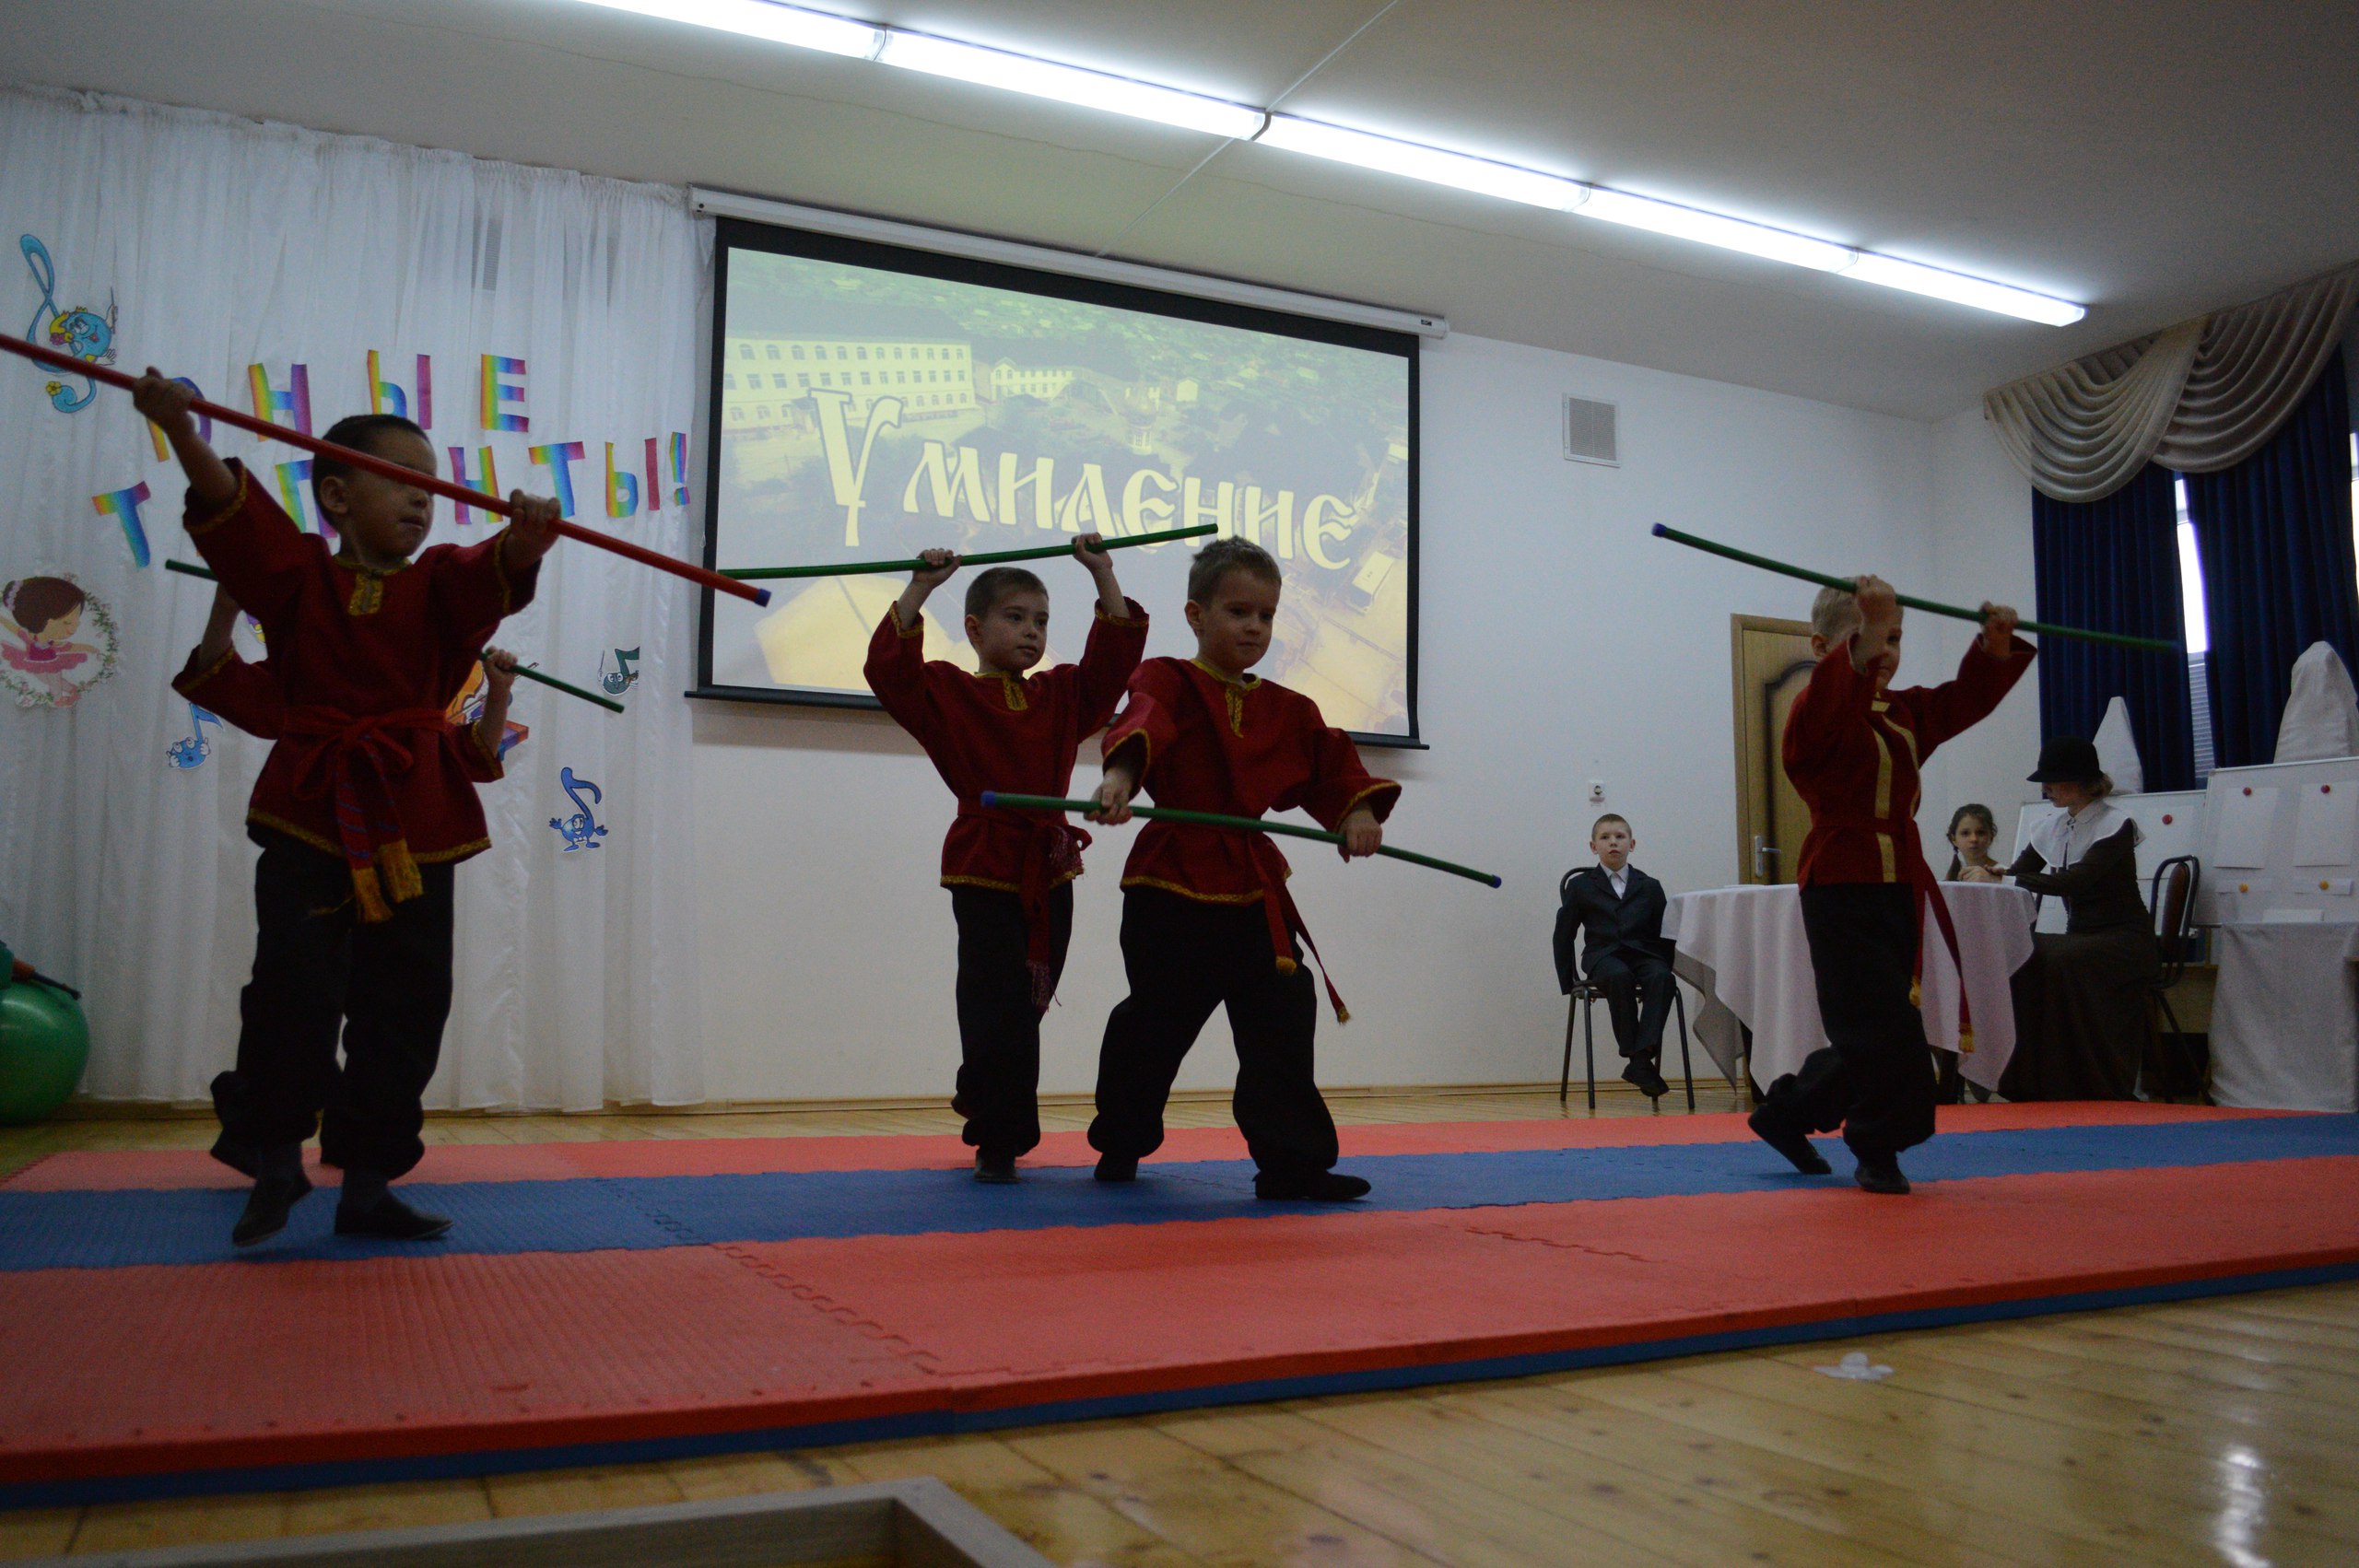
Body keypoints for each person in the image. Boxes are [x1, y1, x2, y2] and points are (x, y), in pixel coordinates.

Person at [135, 369, 558, 1247]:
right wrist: (180, 430)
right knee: (290, 992)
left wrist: (524, 542)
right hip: (311, 805)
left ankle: (367, 1187)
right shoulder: (298, 578)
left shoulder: (439, 584)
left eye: (431, 486)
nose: (422, 500)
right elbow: (237, 521)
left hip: (417, 819)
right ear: (335, 495)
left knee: (406, 1004)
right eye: (400, 481)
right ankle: (276, 1164)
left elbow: (492, 573)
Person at [1086, 537, 1396, 1201]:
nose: (1255, 627)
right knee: (1156, 1021)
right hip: (1172, 882)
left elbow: (1331, 766)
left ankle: (1292, 1165)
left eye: (1266, 615)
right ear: (1196, 615)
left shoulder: (1290, 708)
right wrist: (1119, 778)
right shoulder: (1167, 678)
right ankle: (1122, 1139)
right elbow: (1142, 724)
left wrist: (1357, 814)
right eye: (1238, 612)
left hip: (1254, 888)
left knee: (1282, 1019)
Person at [863, 537, 1149, 1183]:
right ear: (973, 629)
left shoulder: (1061, 693)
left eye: (1041, 620)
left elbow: (1111, 666)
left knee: (1029, 1000)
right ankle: (1000, 1138)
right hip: (985, 860)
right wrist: (921, 586)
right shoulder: (947, 692)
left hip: (1050, 863)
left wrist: (1102, 572)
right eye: (1015, 617)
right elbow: (889, 672)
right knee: (997, 1001)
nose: (1031, 631)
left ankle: (981, 1085)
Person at [1746, 575, 2034, 1194]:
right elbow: (1835, 697)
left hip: (1899, 885)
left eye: (1895, 638)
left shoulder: (1905, 713)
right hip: (1840, 886)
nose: (1886, 651)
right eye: (1870, 639)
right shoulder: (1812, 713)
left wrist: (1993, 648)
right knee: (1884, 1031)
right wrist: (1871, 631)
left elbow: (1965, 700)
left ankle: (1787, 1113)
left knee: (1877, 1028)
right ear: (1823, 649)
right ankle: (1876, 1146)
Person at [1993, 736, 2160, 1101]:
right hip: (2082, 936)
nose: (2047, 789)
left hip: (2124, 940)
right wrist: (1992, 874)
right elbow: (2020, 873)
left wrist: (2005, 877)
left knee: (2058, 957)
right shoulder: (2052, 826)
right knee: (2024, 951)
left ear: (2082, 782)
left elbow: (2075, 881)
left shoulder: (2115, 824)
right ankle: (2030, 1080)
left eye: (2054, 781)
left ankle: (2083, 1080)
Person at [1554, 814, 1676, 1098]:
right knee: (1618, 976)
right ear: (1593, 846)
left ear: (1631, 844)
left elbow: (1665, 934)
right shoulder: (1581, 886)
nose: (1613, 843)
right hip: (1603, 956)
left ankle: (1639, 1061)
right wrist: (1569, 981)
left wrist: (1663, 965)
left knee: (1662, 978)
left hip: (1643, 954)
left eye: (1620, 837)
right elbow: (1563, 934)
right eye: (1605, 838)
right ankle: (1639, 1060)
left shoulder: (1650, 885)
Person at [1944, 803, 2001, 881]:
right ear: (1953, 839)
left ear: (1991, 837)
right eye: (1965, 833)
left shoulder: (2005, 878)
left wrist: (1995, 880)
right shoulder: (1951, 877)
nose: (1974, 839)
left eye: (1980, 833)